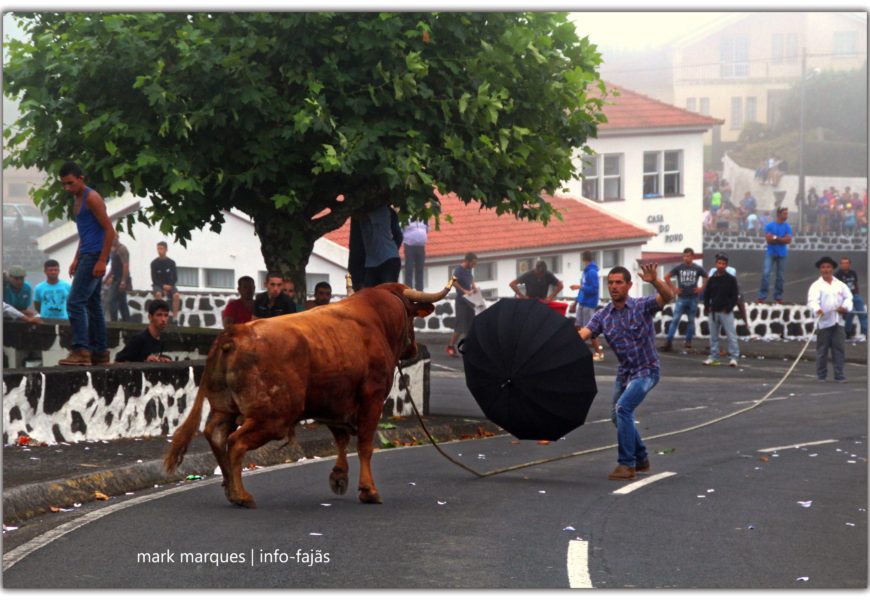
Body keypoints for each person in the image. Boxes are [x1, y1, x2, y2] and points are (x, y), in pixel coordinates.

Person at [579, 264, 674, 480]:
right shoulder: (603, 315)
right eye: (610, 283)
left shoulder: (642, 306)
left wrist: (655, 281)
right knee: (617, 415)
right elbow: (584, 333)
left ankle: (627, 464)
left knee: (623, 408)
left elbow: (668, 296)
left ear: (629, 285)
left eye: (619, 282)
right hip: (625, 373)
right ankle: (641, 458)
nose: (614, 286)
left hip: (647, 371)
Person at [57, 161, 115, 366]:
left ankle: (81, 350)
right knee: (92, 304)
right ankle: (100, 352)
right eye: (64, 184)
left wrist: (101, 260)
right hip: (86, 254)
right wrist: (75, 258)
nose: (67, 188)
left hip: (95, 256)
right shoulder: (77, 198)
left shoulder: (92, 197)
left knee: (74, 302)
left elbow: (109, 231)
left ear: (81, 178)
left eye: (70, 183)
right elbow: (86, 233)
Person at [808, 256, 853, 382]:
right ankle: (821, 375)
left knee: (838, 349)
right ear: (820, 270)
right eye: (823, 267)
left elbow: (848, 298)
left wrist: (845, 307)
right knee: (822, 350)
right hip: (823, 323)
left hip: (838, 321)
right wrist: (817, 309)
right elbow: (812, 301)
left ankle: (839, 374)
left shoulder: (840, 285)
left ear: (832, 269)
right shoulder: (816, 286)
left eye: (828, 267)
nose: (826, 270)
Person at [661, 248, 706, 352]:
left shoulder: (697, 268)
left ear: (692, 257)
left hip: (693, 298)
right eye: (684, 256)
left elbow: (707, 277)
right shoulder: (679, 268)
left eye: (688, 256)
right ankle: (669, 340)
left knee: (691, 320)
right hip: (681, 298)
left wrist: (701, 288)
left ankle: (688, 341)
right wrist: (674, 289)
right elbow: (666, 277)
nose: (686, 258)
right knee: (675, 319)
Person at [703, 253, 741, 368]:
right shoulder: (712, 279)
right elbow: (707, 294)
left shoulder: (731, 279)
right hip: (713, 312)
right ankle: (714, 357)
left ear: (726, 265)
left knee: (731, 336)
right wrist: (707, 306)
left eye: (723, 264)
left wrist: (728, 308)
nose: (721, 265)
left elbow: (734, 296)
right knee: (713, 337)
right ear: (716, 264)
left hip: (726, 312)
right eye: (719, 263)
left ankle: (734, 357)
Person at [570, 251, 603, 361]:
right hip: (582, 302)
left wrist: (579, 286)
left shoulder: (592, 272)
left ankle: (599, 352)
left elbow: (594, 289)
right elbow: (583, 289)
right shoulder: (586, 272)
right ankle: (580, 351)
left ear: (583, 259)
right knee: (578, 326)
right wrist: (575, 302)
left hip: (589, 304)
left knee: (589, 329)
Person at [359, 205, 403, 288]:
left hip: (387, 260)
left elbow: (361, 216)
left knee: (387, 292)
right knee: (370, 295)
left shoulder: (381, 210)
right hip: (372, 261)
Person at [757, 207, 792, 304]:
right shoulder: (769, 226)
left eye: (787, 213)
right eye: (784, 213)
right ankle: (762, 296)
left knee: (780, 276)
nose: (786, 215)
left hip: (782, 254)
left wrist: (776, 237)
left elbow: (788, 240)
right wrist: (782, 239)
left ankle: (778, 297)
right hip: (771, 253)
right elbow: (768, 240)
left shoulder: (788, 227)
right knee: (766, 273)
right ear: (779, 214)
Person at [447, 252, 478, 357]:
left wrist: (474, 286)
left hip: (470, 301)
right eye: (472, 263)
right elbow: (453, 282)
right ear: (467, 261)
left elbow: (471, 278)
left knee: (471, 325)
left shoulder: (469, 269)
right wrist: (464, 291)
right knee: (460, 326)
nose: (473, 265)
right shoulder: (458, 270)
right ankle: (450, 346)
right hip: (461, 301)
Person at [834, 256, 866, 342]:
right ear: (841, 264)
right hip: (846, 298)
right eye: (843, 263)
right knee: (850, 314)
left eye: (846, 263)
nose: (845, 265)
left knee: (862, 314)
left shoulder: (853, 273)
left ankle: (866, 334)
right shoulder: (838, 275)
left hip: (855, 295)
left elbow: (856, 284)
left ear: (849, 264)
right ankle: (847, 333)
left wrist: (857, 294)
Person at [150, 241, 181, 318]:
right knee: (158, 294)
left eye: (161, 248)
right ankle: (160, 317)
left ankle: (175, 318)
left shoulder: (171, 263)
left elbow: (175, 277)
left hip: (170, 285)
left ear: (166, 250)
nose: (159, 251)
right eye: (158, 249)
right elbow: (154, 279)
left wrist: (169, 286)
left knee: (176, 295)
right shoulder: (154, 263)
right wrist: (163, 286)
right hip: (158, 285)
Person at [106, 236, 132, 322]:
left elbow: (125, 265)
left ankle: (114, 322)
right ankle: (127, 322)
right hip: (115, 278)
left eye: (114, 237)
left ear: (117, 237)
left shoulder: (122, 249)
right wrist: (106, 278)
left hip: (121, 279)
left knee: (111, 300)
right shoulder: (112, 249)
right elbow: (113, 267)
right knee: (122, 302)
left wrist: (123, 281)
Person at [402, 219, 428, 291]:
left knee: (420, 269)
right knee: (409, 269)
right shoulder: (407, 217)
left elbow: (427, 229)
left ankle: (420, 290)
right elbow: (401, 229)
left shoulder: (423, 217)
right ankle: (409, 289)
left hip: (421, 246)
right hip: (409, 245)